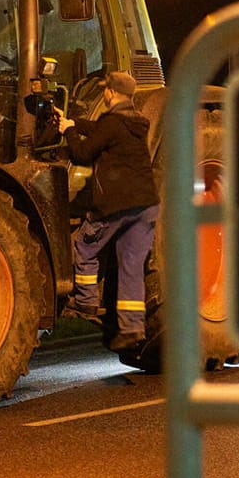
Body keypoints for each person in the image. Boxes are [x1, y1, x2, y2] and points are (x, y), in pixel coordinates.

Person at [52, 71, 159, 353]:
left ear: (111, 93)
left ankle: (86, 301)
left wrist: (68, 131)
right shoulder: (136, 123)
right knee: (131, 266)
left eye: (106, 90)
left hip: (116, 205)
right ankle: (133, 328)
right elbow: (102, 131)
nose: (105, 93)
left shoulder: (112, 123)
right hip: (146, 206)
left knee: (85, 247)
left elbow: (83, 154)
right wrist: (74, 123)